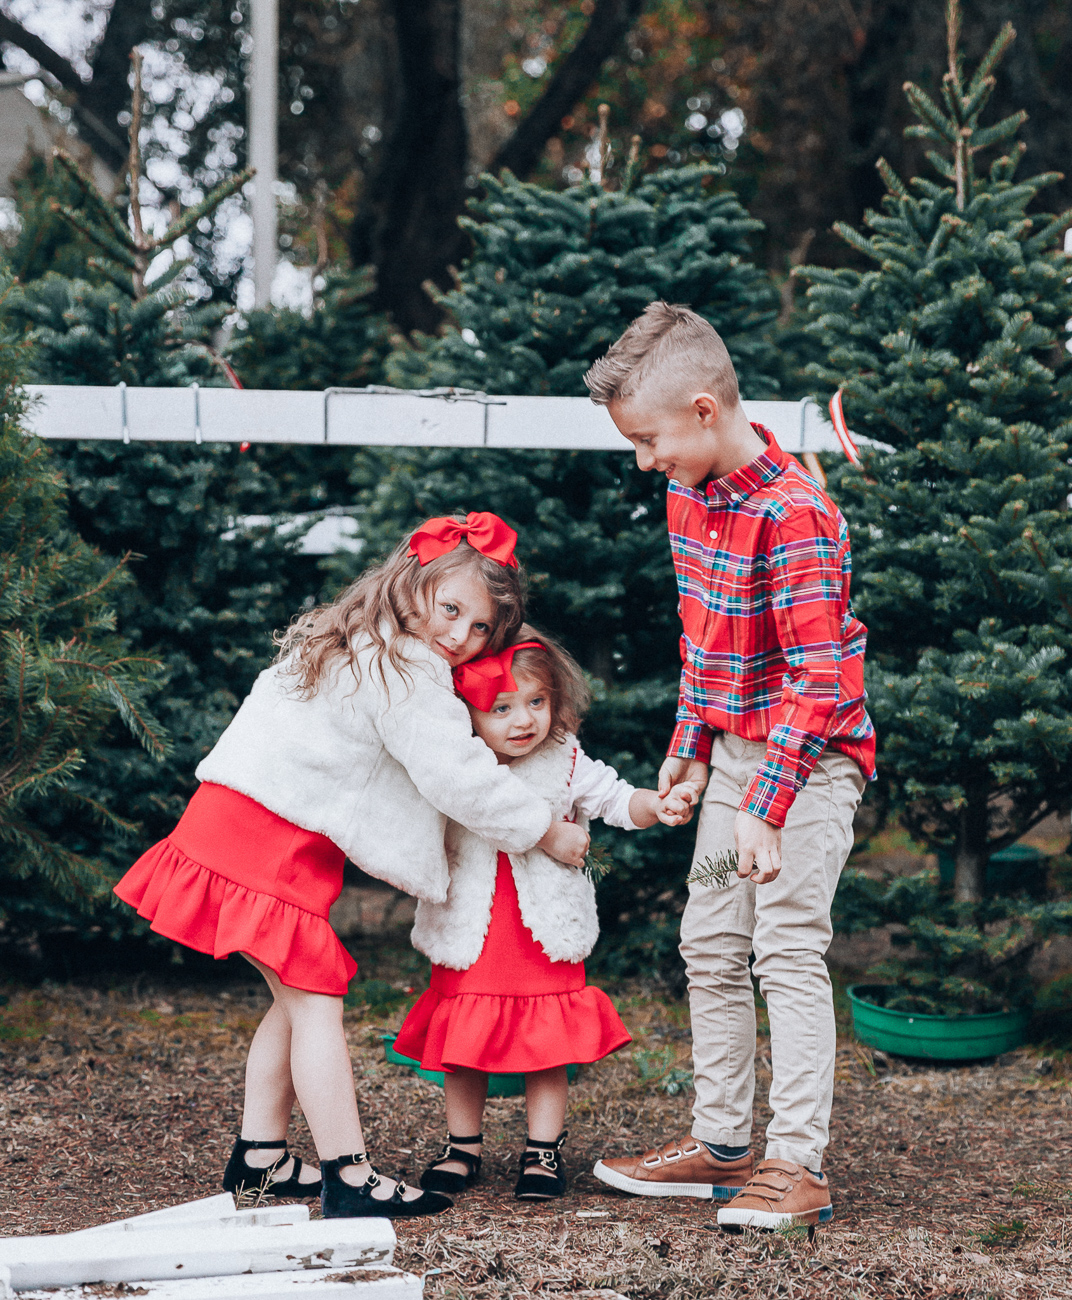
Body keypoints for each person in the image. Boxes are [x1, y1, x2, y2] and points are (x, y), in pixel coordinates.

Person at [113, 513, 589, 1220]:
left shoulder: (358, 638)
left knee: (292, 999)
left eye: (481, 627)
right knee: (316, 1001)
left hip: (242, 821)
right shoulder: (407, 668)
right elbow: (454, 775)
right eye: (451, 609)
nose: (459, 636)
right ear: (412, 582)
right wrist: (542, 829)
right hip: (266, 840)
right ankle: (350, 1174)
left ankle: (261, 1157)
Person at [584, 303, 875, 1230]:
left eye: (649, 440)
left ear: (705, 409)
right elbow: (704, 644)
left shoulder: (795, 516)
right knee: (710, 942)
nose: (644, 461)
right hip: (740, 763)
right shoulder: (690, 495)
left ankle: (799, 1164)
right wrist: (689, 754)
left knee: (786, 949)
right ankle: (721, 1149)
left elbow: (819, 677)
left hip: (810, 764)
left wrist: (767, 802)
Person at [393, 627, 697, 1201]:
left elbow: (612, 798)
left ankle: (543, 1150)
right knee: (464, 1039)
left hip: (545, 930)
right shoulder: (457, 763)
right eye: (501, 707)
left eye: (536, 701)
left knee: (547, 1042)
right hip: (471, 926)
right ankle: (462, 1147)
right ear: (469, 714)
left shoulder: (565, 759)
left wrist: (654, 805)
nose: (522, 720)